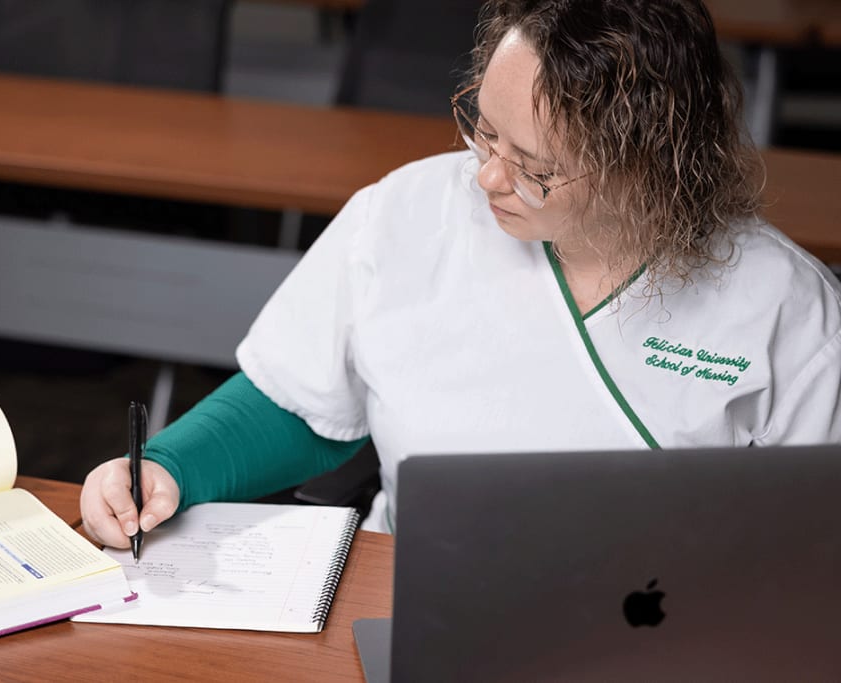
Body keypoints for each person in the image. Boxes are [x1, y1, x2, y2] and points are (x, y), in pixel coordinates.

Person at [81, 0, 841, 545]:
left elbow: (809, 545)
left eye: (535, 168)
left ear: (648, 170)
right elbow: (297, 400)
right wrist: (169, 467)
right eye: (484, 129)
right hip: (414, 592)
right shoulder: (408, 210)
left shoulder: (784, 307)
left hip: (659, 626)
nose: (486, 179)